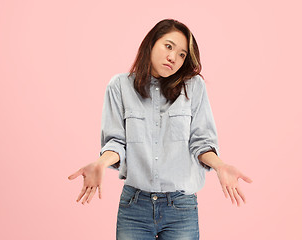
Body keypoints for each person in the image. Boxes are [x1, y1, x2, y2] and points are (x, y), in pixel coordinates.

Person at [68, 18, 253, 239]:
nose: (173, 57)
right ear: (151, 43)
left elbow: (200, 141)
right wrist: (100, 163)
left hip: (181, 208)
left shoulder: (193, 88)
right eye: (168, 46)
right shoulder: (119, 86)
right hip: (134, 207)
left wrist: (220, 166)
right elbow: (117, 142)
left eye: (182, 54)